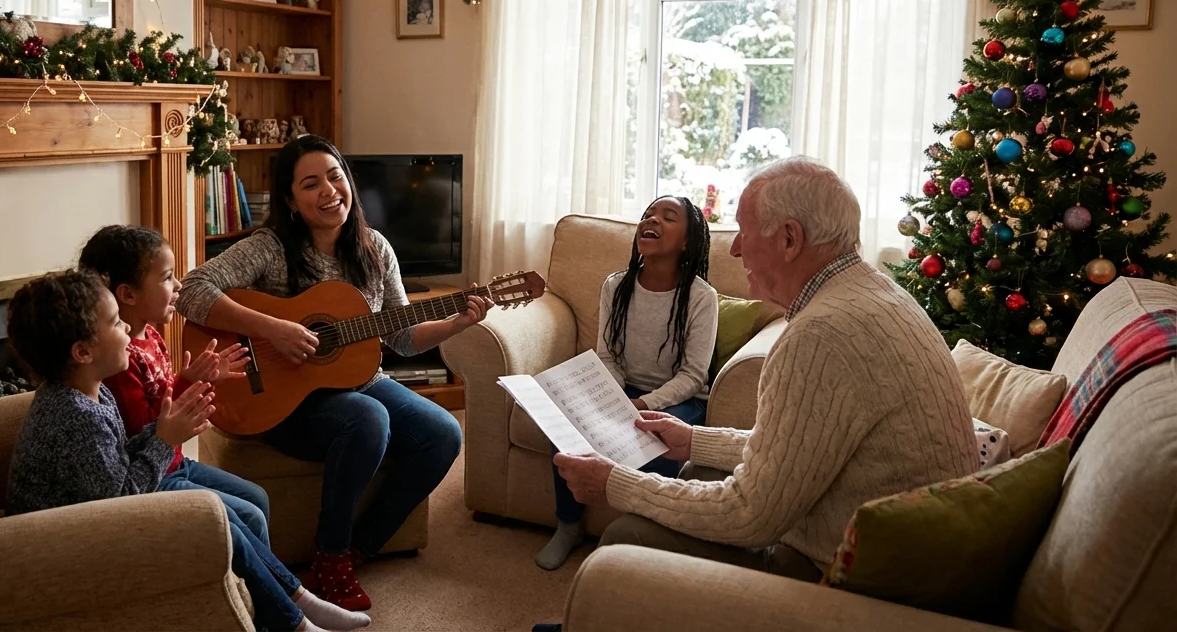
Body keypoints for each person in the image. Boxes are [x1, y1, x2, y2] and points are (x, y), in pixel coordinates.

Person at [555, 156, 977, 582]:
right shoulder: (876, 292)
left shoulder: (820, 335)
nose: (736, 248)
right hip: (893, 547)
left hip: (852, 577)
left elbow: (749, 516)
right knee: (698, 468)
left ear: (789, 238)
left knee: (626, 537)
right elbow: (798, 450)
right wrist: (695, 440)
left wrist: (615, 484)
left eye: (743, 231)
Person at [175, 134, 490, 611]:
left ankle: (360, 548)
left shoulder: (375, 248)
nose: (329, 191)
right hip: (281, 399)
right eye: (310, 184)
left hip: (359, 381)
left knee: (444, 432)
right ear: (290, 200)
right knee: (369, 419)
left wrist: (456, 322)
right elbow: (193, 290)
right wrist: (275, 329)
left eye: (335, 176)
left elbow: (401, 336)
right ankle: (331, 553)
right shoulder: (272, 247)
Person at [5, 270, 370, 632]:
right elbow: (119, 500)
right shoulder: (75, 416)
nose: (126, 333)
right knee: (219, 518)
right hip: (65, 543)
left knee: (239, 508)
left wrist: (166, 426)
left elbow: (115, 464)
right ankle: (297, 620)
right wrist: (165, 439)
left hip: (96, 515)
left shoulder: (90, 391)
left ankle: (295, 604)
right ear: (82, 351)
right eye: (116, 324)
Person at [535, 196, 719, 571]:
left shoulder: (702, 297)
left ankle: (635, 541)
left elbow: (694, 375)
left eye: (668, 217)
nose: (652, 220)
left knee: (660, 446)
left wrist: (647, 404)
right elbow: (608, 356)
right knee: (565, 422)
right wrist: (615, 397)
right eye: (648, 214)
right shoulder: (616, 286)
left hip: (681, 399)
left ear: (687, 241)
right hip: (625, 389)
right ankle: (568, 525)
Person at [78, 225, 273, 549]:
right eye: (167, 278)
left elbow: (167, 396)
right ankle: (263, 589)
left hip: (176, 462)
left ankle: (254, 585)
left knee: (257, 498)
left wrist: (203, 380)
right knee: (248, 516)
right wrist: (188, 382)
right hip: (154, 475)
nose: (178, 285)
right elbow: (145, 429)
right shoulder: (117, 362)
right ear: (128, 294)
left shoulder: (151, 335)